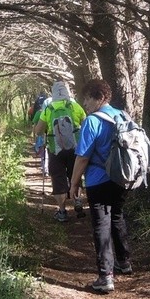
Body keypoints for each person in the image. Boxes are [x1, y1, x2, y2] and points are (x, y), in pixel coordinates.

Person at [69, 79, 132, 293]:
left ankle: (105, 276)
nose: (85, 103)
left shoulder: (92, 121)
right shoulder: (122, 115)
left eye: (88, 98)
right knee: (117, 216)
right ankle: (124, 262)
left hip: (98, 180)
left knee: (101, 225)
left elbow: (82, 157)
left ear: (100, 98)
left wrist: (74, 183)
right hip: (121, 178)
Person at [34, 81, 86, 222]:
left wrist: (44, 130)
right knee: (75, 174)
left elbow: (38, 130)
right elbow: (85, 122)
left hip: (55, 149)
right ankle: (77, 201)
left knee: (58, 178)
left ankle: (62, 212)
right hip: (75, 148)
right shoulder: (75, 106)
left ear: (53, 93)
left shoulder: (49, 108)